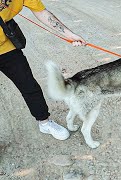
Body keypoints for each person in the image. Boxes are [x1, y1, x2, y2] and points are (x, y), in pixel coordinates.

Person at [0, 0, 86, 140]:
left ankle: (44, 122)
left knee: (28, 85)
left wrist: (70, 35)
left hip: (6, 48)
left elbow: (42, 12)